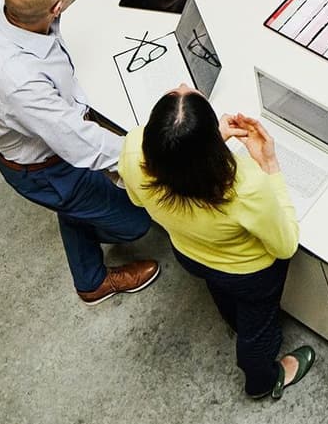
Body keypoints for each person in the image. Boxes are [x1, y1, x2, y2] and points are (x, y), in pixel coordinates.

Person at [0, 0, 160, 303]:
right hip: (43, 168)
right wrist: (155, 152)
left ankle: (89, 280)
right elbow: (83, 145)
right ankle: (96, 279)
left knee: (81, 204)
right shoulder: (19, 83)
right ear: (55, 8)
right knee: (136, 222)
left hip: (48, 140)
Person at [118, 87, 315, 400]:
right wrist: (270, 166)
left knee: (221, 292)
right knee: (257, 331)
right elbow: (286, 245)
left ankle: (233, 322)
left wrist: (196, 147)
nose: (185, 86)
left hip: (189, 252)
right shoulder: (244, 185)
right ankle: (263, 380)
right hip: (249, 274)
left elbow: (138, 198)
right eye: (179, 92)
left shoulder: (132, 149)